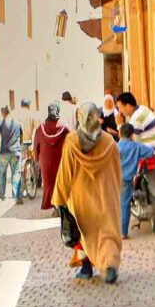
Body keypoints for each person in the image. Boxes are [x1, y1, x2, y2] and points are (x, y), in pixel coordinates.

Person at [52, 102, 123, 283]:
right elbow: (117, 170)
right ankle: (109, 265)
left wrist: (59, 198)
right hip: (105, 196)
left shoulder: (72, 141)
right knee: (107, 233)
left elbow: (65, 173)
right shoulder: (109, 142)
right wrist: (116, 192)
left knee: (84, 232)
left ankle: (86, 268)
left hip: (80, 197)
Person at [117, 123, 155, 238]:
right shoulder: (136, 146)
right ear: (132, 135)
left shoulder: (115, 146)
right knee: (125, 205)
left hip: (114, 180)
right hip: (127, 180)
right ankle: (123, 233)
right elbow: (150, 152)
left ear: (120, 133)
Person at [32, 102, 68, 211]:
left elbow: (36, 144)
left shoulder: (40, 127)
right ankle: (60, 206)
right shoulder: (64, 127)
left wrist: (37, 158)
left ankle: (52, 205)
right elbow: (72, 141)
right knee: (60, 182)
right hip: (60, 159)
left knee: (48, 183)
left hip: (45, 160)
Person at [0, 104, 26, 202]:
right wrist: (19, 147)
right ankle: (17, 197)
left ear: (2, 112)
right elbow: (22, 137)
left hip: (4, 152)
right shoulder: (18, 122)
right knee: (16, 174)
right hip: (16, 152)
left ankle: (1, 196)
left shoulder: (0, 123)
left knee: (2, 174)